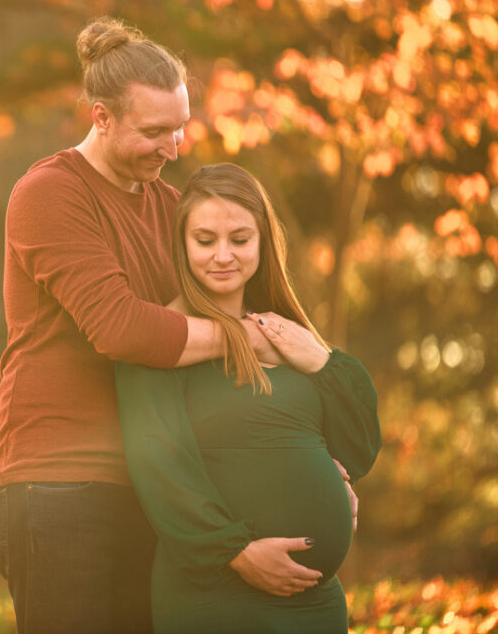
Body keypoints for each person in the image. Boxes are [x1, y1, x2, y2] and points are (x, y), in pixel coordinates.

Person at [0, 16, 364, 634]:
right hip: (57, 485)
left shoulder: (170, 208)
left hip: (146, 488)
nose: (174, 148)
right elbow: (124, 330)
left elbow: (212, 330)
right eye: (154, 131)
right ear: (101, 118)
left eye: (181, 128)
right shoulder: (50, 194)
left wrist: (318, 462)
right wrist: (255, 339)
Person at [117, 163, 382, 633]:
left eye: (240, 240)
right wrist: (236, 554)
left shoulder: (286, 335)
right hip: (215, 597)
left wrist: (320, 361)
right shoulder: (157, 343)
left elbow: (359, 444)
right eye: (205, 240)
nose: (223, 256)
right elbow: (160, 469)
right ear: (181, 244)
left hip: (315, 604)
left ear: (263, 242)